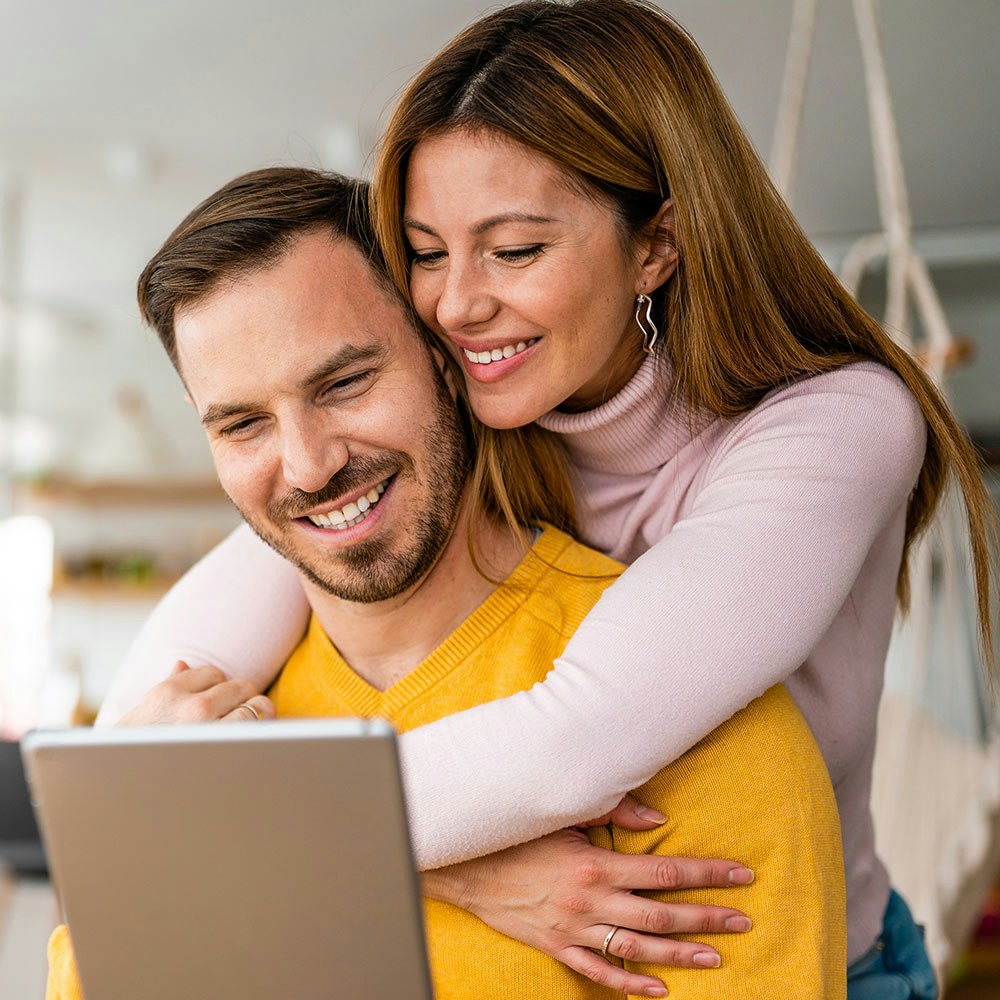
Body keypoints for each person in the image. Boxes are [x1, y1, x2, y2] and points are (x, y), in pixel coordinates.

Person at [98, 2, 997, 996]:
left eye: (515, 250)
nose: (454, 304)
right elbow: (134, 744)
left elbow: (573, 740)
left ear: (657, 243)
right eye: (427, 252)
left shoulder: (834, 425)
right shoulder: (474, 413)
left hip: (806, 949)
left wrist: (223, 823)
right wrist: (469, 873)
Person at [48, 167, 846, 1000]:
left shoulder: (694, 731)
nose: (309, 465)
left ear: (448, 360)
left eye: (346, 382)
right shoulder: (191, 747)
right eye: (244, 423)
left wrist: (204, 830)